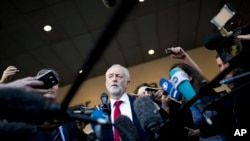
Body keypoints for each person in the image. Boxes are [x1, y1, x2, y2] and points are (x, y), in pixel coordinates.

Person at [28, 68, 89, 141]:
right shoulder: (27, 120)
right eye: (45, 82)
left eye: (54, 82)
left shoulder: (70, 119)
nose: (50, 86)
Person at [101, 64, 151, 141]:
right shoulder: (102, 112)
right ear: (106, 83)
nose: (114, 79)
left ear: (127, 83)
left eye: (119, 76)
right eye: (110, 76)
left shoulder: (140, 104)